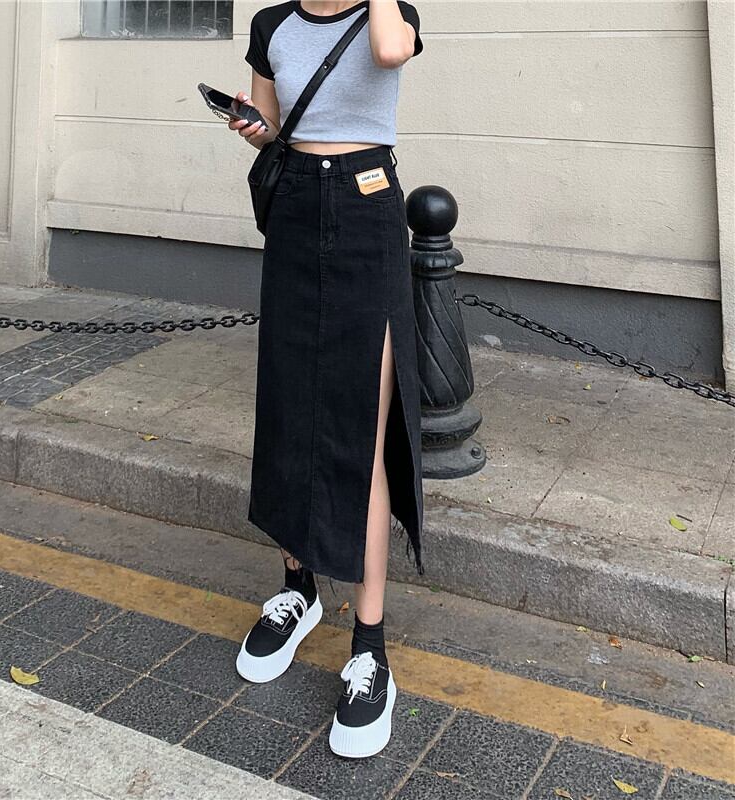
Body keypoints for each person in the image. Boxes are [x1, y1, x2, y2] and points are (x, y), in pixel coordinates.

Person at [229, 0, 424, 759]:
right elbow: (275, 127)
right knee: (289, 413)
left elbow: (390, 51)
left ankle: (370, 647)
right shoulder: (271, 25)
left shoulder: (390, 14)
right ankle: (298, 590)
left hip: (368, 207)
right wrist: (253, 128)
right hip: (296, 210)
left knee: (358, 431)